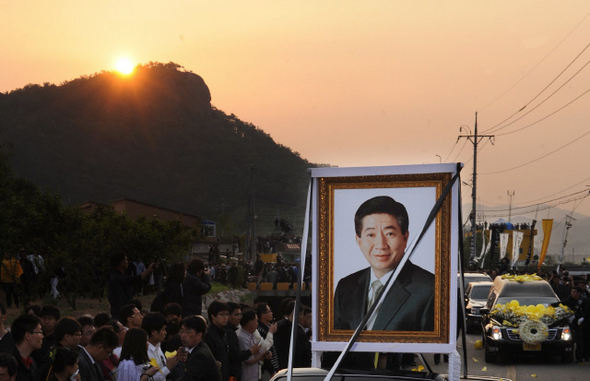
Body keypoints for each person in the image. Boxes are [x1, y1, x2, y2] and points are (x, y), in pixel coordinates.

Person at [333, 195, 434, 331]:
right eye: (371, 235)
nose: (380, 245)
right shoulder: (345, 287)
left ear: (405, 238)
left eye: (390, 234)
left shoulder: (430, 289)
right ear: (359, 241)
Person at [107, 252, 153, 320]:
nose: (127, 262)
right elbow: (120, 300)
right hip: (120, 315)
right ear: (121, 263)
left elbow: (137, 279)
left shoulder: (120, 276)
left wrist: (148, 270)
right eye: (125, 260)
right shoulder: (116, 279)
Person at [177, 315, 221, 381]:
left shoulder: (200, 355)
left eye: (188, 332)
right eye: (182, 331)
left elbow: (188, 378)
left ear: (199, 335)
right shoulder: (200, 348)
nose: (183, 336)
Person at [225, 303, 260, 381]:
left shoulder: (233, 331)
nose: (239, 318)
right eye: (236, 315)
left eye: (240, 315)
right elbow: (236, 355)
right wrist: (251, 352)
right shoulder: (232, 334)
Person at [141, 313, 179, 381]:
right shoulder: (144, 351)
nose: (165, 332)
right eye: (163, 329)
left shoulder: (158, 346)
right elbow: (149, 379)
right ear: (153, 332)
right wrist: (167, 368)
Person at [273, 302, 311, 370]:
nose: (301, 316)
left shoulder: (281, 325)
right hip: (293, 366)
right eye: (301, 314)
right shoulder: (286, 328)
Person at [237, 311, 271, 381]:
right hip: (247, 376)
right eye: (256, 321)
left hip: (255, 375)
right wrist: (259, 358)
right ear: (250, 323)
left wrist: (265, 354)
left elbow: (259, 351)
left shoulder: (253, 335)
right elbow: (247, 360)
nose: (257, 324)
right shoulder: (242, 337)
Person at [11, 314, 44, 381]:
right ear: (28, 335)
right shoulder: (9, 364)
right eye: (40, 332)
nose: (42, 336)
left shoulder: (32, 363)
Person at [202, 302, 230, 381]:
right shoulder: (209, 334)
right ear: (213, 316)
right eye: (222, 314)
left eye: (227, 314)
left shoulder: (223, 332)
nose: (225, 317)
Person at [253, 303, 278, 380]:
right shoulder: (260, 329)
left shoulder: (268, 326)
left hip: (274, 366)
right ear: (263, 315)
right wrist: (271, 370)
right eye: (269, 311)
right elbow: (265, 348)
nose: (271, 313)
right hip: (267, 369)